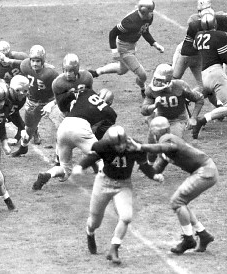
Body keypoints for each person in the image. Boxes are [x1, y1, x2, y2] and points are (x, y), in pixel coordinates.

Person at [71, 126, 162, 264]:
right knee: (95, 221)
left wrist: (154, 175)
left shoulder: (134, 146)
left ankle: (114, 249)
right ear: (110, 143)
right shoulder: (103, 146)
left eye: (122, 143)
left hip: (123, 184)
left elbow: (143, 165)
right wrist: (80, 166)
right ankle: (90, 232)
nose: (120, 147)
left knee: (126, 217)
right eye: (117, 144)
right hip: (104, 182)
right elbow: (92, 157)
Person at [129, 116, 217, 254]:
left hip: (204, 171)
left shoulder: (167, 139)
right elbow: (157, 169)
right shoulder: (166, 143)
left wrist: (141, 147)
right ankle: (203, 234)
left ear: (155, 132)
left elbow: (164, 147)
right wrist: (142, 164)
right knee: (181, 202)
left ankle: (189, 239)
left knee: (177, 201)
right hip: (204, 170)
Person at [31, 53, 116, 190]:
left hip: (66, 125)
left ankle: (47, 174)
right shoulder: (109, 111)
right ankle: (106, 184)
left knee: (64, 168)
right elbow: (101, 128)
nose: (68, 74)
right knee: (101, 156)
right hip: (77, 124)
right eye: (66, 70)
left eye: (71, 71)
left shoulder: (85, 92)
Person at [88, 0, 164, 98]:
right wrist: (114, 50)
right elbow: (113, 33)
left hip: (132, 45)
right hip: (124, 48)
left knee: (122, 70)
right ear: (144, 11)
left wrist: (154, 43)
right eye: (150, 11)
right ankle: (143, 89)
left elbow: (144, 30)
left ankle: (97, 72)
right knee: (142, 75)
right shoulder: (129, 21)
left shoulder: (148, 17)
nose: (152, 13)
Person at [172, 0, 227, 104]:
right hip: (187, 55)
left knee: (207, 85)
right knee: (174, 79)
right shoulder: (194, 24)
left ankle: (219, 107)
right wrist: (204, 46)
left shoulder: (221, 19)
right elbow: (185, 49)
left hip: (204, 56)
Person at [141, 63, 204, 162]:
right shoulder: (151, 89)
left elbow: (199, 99)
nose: (156, 83)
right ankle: (150, 165)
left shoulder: (180, 86)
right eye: (156, 79)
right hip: (160, 118)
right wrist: (154, 106)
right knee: (152, 145)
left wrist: (193, 117)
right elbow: (143, 110)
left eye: (160, 80)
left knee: (173, 149)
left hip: (178, 119)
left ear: (168, 80)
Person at [192, 12, 227, 139]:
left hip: (204, 75)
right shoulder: (219, 35)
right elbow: (226, 58)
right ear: (215, 24)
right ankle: (203, 120)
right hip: (216, 74)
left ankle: (190, 115)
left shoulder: (198, 35)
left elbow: (195, 46)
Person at [11, 45, 60, 157]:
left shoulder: (51, 73)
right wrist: (8, 60)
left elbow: (60, 89)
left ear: (43, 61)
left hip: (49, 102)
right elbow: (19, 63)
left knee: (60, 127)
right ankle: (23, 147)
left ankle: (59, 156)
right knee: (29, 129)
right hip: (33, 101)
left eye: (38, 61)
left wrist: (53, 103)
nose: (35, 64)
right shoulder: (25, 66)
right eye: (33, 60)